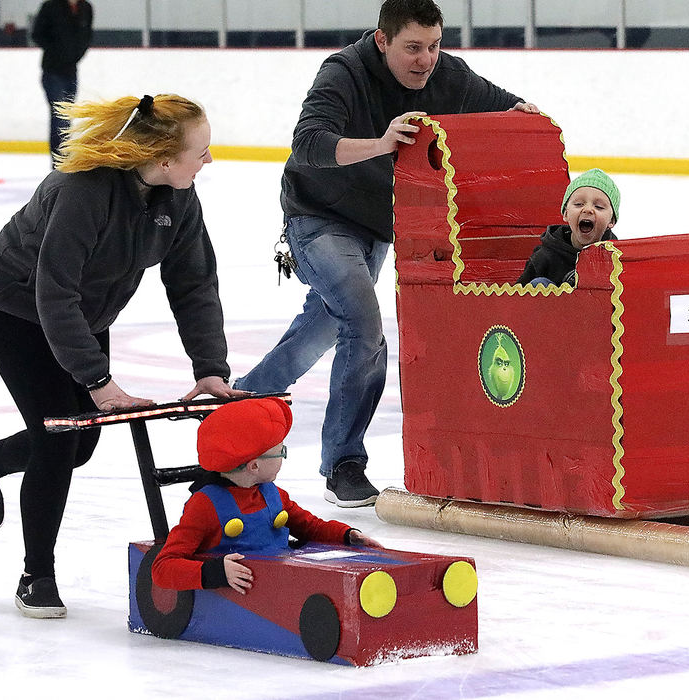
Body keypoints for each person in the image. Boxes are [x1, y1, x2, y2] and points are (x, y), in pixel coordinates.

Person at [233, 0, 540, 508]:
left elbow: (504, 108)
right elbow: (308, 145)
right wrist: (381, 143)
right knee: (363, 324)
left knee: (328, 326)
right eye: (412, 48)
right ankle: (344, 463)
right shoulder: (342, 73)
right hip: (317, 217)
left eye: (435, 46)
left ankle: (246, 397)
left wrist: (524, 117)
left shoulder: (450, 76)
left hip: (376, 226)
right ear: (382, 41)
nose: (426, 60)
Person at [0, 93, 246, 619]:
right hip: (17, 306)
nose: (209, 160)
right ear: (161, 158)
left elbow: (193, 282)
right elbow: (54, 294)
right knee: (55, 436)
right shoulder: (82, 192)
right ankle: (36, 575)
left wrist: (210, 368)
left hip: (83, 314)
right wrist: (98, 379)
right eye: (200, 151)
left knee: (81, 441)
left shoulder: (178, 199)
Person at [151, 398, 382, 593]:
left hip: (278, 579)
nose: (283, 456)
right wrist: (215, 572)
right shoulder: (205, 506)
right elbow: (162, 567)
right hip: (250, 595)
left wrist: (346, 535)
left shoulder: (272, 495)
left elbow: (310, 526)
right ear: (254, 466)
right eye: (280, 452)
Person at [516, 168, 621, 288]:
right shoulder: (544, 257)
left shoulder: (616, 258)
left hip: (596, 306)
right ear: (566, 213)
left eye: (599, 207)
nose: (588, 209)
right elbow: (516, 300)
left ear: (611, 220)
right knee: (538, 284)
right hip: (551, 306)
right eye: (578, 204)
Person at [31, 0, 93, 166]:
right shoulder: (51, 6)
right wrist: (58, 53)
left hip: (71, 71)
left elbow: (86, 36)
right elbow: (37, 34)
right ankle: (59, 162)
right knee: (60, 116)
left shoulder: (85, 8)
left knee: (66, 116)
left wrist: (75, 56)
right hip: (53, 71)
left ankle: (63, 159)